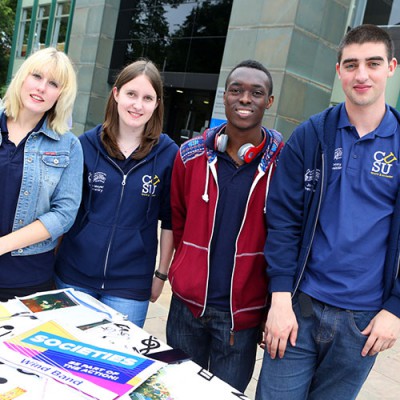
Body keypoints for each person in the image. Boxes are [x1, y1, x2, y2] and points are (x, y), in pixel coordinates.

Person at [256, 24, 400, 400]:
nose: (362, 74)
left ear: (392, 68)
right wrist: (280, 298)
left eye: (373, 63)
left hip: (363, 324)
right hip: (299, 310)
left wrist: (396, 309)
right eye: (351, 64)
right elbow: (283, 221)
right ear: (339, 71)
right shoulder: (311, 135)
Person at [166, 60, 284, 392]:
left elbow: (288, 235)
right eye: (236, 90)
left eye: (256, 92)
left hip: (241, 317)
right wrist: (180, 271)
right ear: (225, 96)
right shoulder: (189, 156)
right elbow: (177, 218)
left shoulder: (284, 164)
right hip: (186, 307)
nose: (245, 99)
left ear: (269, 102)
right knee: (176, 392)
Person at [54, 60, 178, 328]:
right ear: (116, 94)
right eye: (131, 94)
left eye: (147, 98)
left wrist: (160, 275)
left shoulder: (169, 154)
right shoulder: (84, 145)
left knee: (114, 364)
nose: (137, 105)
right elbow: (65, 210)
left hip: (130, 285)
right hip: (73, 274)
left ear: (157, 104)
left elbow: (169, 222)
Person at [0, 47, 83, 301]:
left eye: (53, 83)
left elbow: (64, 214)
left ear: (61, 95)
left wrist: (2, 245)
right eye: (36, 77)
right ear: (23, 78)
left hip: (26, 280)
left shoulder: (68, 146)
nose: (41, 88)